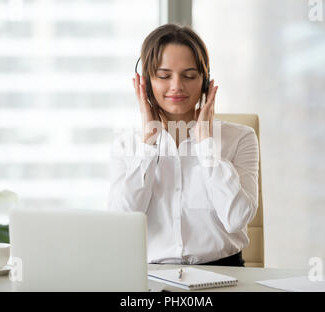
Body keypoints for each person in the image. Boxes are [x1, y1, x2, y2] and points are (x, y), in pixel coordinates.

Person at [107, 24, 259, 267]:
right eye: (164, 75)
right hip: (149, 277)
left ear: (205, 82)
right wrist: (148, 144)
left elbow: (235, 219)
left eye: (189, 76)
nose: (176, 86)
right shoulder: (127, 145)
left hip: (224, 276)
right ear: (145, 83)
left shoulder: (241, 138)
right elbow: (120, 225)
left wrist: (206, 145)